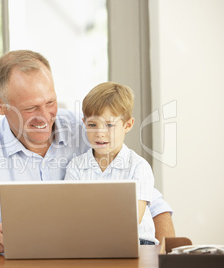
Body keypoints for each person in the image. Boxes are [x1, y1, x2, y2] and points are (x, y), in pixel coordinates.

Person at [0, 50, 174, 254]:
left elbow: (156, 207)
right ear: (0, 105)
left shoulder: (89, 130)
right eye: (30, 108)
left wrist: (168, 258)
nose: (44, 117)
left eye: (50, 102)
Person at [64, 82, 158, 245]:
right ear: (84, 123)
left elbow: (133, 219)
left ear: (127, 125)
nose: (100, 133)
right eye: (92, 125)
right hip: (90, 240)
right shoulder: (76, 166)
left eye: (109, 125)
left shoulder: (139, 167)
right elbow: (71, 213)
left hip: (137, 241)